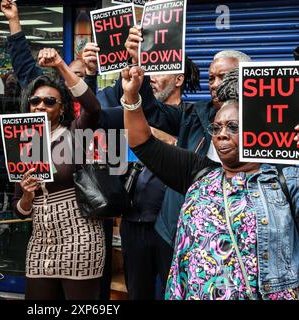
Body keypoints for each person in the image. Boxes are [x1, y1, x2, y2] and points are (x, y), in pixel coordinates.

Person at [121, 64, 299, 300]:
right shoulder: (199, 173)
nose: (221, 134)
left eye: (233, 127)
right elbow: (142, 142)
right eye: (216, 127)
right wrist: (132, 95)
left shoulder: (285, 181)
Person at [122, 26, 251, 266]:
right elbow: (151, 114)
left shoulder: (271, 136)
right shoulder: (193, 115)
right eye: (211, 78)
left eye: (224, 77)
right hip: (175, 234)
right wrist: (141, 66)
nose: (215, 84)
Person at [82, 41, 200, 299]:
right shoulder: (133, 111)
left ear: (179, 78)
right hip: (135, 222)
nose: (152, 77)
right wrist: (90, 76)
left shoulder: (193, 118)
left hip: (175, 227)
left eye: (159, 70)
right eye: (149, 71)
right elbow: (95, 116)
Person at [12, 47, 105, 300]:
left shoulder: (75, 133)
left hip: (80, 235)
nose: (41, 105)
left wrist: (61, 66)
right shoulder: (22, 143)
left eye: (49, 101)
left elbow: (93, 108)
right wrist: (27, 197)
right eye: (35, 101)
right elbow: (19, 211)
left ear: (61, 108)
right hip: (41, 239)